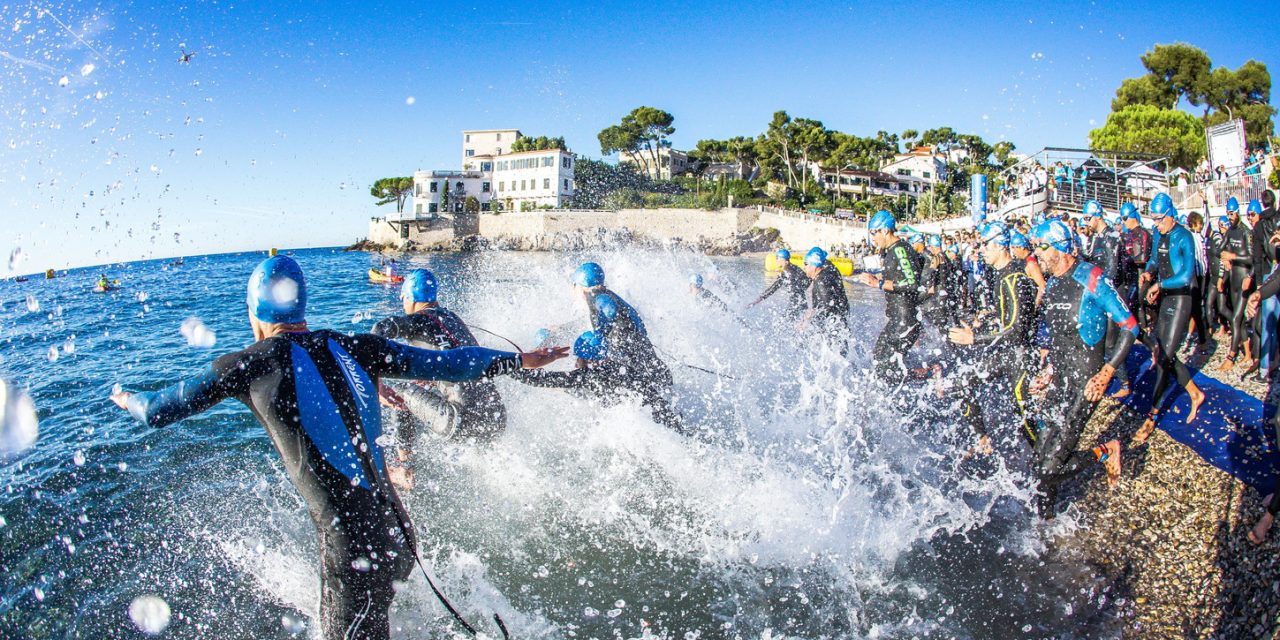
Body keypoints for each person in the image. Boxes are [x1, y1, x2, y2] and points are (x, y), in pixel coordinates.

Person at [108, 256, 567, 640]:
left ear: (255, 312)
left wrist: (124, 397)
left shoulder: (246, 364)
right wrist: (518, 359)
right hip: (398, 532)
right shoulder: (355, 346)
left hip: (353, 550)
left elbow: (156, 410)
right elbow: (449, 364)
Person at [1026, 220, 1132, 516]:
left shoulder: (1092, 277)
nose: (1036, 254)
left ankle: (1106, 451)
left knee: (1048, 469)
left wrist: (1107, 373)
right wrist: (1048, 372)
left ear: (1060, 248)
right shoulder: (1052, 284)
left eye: (1041, 247)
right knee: (1038, 460)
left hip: (1087, 382)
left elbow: (1129, 326)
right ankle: (1045, 521)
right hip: (1061, 379)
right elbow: (1060, 339)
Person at [372, 269, 507, 443]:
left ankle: (403, 460)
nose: (403, 305)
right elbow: (462, 360)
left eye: (403, 298)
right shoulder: (453, 318)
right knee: (425, 385)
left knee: (401, 390)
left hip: (458, 421)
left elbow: (379, 330)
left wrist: (376, 383)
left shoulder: (417, 320)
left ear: (411, 298)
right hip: (496, 418)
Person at [946, 222, 1039, 453]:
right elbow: (1005, 317)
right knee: (960, 383)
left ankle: (1051, 461)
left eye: (985, 245)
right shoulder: (1001, 275)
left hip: (1020, 357)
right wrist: (984, 320)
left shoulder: (1014, 278)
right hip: (1007, 353)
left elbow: (1017, 330)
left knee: (1026, 421)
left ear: (999, 246)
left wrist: (974, 338)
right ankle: (983, 439)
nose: (981, 250)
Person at [1133, 193, 1207, 443]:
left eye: (1160, 219)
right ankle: (1195, 393)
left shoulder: (1184, 236)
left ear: (1171, 215)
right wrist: (1148, 273)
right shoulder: (1159, 234)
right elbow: (1154, 259)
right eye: (1153, 219)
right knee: (1163, 350)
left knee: (1164, 358)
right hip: (1166, 297)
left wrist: (1160, 285)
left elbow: (1186, 276)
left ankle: (1152, 416)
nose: (1156, 224)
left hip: (1182, 298)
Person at [511, 330, 685, 433]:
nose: (576, 363)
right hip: (668, 417)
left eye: (577, 358)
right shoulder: (622, 368)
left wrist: (509, 366)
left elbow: (542, 380)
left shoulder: (589, 376)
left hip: (652, 427)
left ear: (584, 359)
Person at [572, 261, 678, 417]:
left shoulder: (598, 297)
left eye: (574, 285)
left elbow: (611, 311)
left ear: (581, 286)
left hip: (639, 365)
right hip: (653, 366)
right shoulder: (606, 294)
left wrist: (610, 342)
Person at [854, 210, 922, 382]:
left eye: (873, 232)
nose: (872, 238)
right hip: (897, 319)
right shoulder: (892, 250)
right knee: (879, 360)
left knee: (885, 369)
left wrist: (878, 283)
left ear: (885, 230)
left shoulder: (900, 250)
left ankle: (930, 374)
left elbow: (912, 283)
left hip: (905, 320)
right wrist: (878, 279)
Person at [1218, 197, 1254, 371]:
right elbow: (1219, 249)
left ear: (1238, 213)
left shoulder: (1245, 231)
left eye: (1232, 213)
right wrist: (1224, 257)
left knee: (1236, 318)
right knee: (1238, 319)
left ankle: (1231, 357)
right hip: (1233, 279)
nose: (1230, 217)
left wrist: (1232, 256)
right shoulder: (1230, 231)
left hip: (1244, 279)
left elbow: (1252, 258)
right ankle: (1247, 354)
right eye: (1228, 213)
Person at [1248, 192, 1280, 378]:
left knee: (1268, 321)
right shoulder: (1277, 218)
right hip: (1276, 270)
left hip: (1269, 273)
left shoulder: (1259, 226)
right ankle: (1274, 361)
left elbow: (1258, 258)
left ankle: (1264, 369)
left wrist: (1259, 285)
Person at [799, 246, 851, 355]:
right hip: (838, 322)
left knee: (836, 355)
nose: (803, 267)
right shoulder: (826, 274)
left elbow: (828, 306)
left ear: (814, 265)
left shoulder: (821, 281)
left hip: (833, 325)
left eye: (806, 264)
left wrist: (809, 318)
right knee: (841, 354)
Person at [750, 248, 808, 317]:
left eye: (777, 258)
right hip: (803, 303)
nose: (776, 260)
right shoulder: (795, 268)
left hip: (796, 304)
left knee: (785, 320)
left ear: (783, 260)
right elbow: (808, 281)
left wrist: (756, 301)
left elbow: (773, 288)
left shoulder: (787, 273)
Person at [1010, 231, 1047, 305]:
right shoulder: (1021, 261)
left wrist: (1036, 305)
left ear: (1022, 247)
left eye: (1014, 247)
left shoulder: (1030, 263)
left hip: (1032, 304)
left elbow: (1042, 285)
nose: (1013, 251)